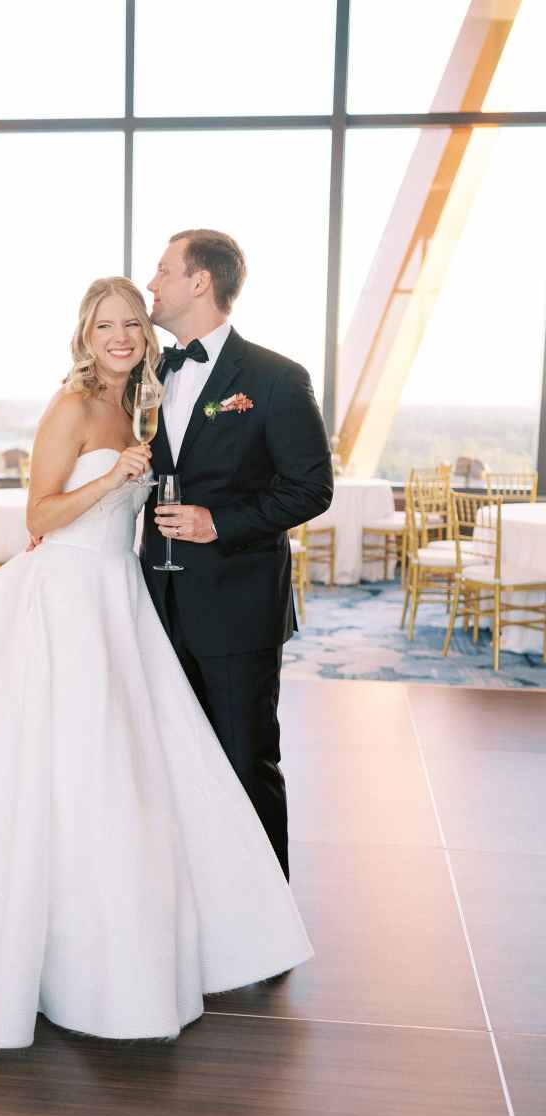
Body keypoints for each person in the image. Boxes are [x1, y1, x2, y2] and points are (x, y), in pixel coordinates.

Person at [0, 277, 313, 1050]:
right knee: (63, 766)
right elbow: (38, 516)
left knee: (126, 769)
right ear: (85, 335)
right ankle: (53, 943)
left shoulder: (139, 406)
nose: (121, 336)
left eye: (133, 322)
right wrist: (111, 478)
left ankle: (119, 936)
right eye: (106, 326)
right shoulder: (70, 406)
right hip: (63, 598)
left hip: (118, 598)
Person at [142, 230, 334, 881]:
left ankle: (265, 916)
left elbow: (312, 487)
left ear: (200, 282)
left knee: (245, 759)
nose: (152, 284)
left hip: (236, 606)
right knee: (170, 762)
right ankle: (196, 900)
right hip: (150, 605)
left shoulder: (275, 379)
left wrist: (217, 522)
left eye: (163, 271)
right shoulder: (145, 376)